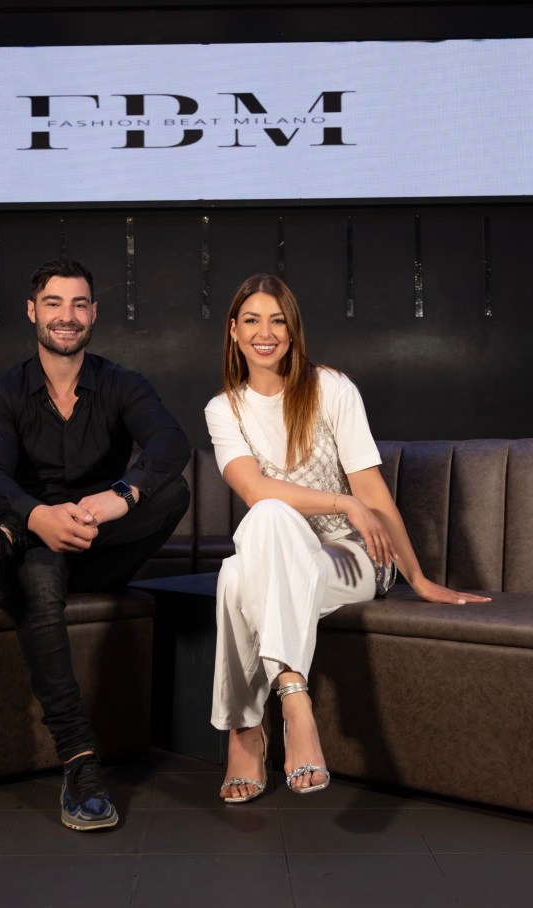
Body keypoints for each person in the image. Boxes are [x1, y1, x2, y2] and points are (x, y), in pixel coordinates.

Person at [204, 273, 490, 803]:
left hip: (354, 556)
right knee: (251, 545)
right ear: (233, 331)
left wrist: (418, 578)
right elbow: (254, 489)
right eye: (252, 320)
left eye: (278, 321)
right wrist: (342, 502)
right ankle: (295, 700)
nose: (265, 333)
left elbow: (372, 491)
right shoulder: (224, 410)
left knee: (239, 571)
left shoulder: (331, 388)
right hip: (283, 552)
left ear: (293, 330)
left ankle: (245, 732)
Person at [0, 256, 190, 830]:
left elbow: (170, 442)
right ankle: (80, 763)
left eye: (79, 304)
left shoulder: (122, 383)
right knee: (39, 564)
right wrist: (36, 516)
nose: (67, 315)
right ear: (33, 311)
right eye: (54, 303)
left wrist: (118, 496)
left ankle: (0, 539)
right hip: (35, 558)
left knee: (173, 491)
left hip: (102, 550)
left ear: (94, 314)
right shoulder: (2, 394)